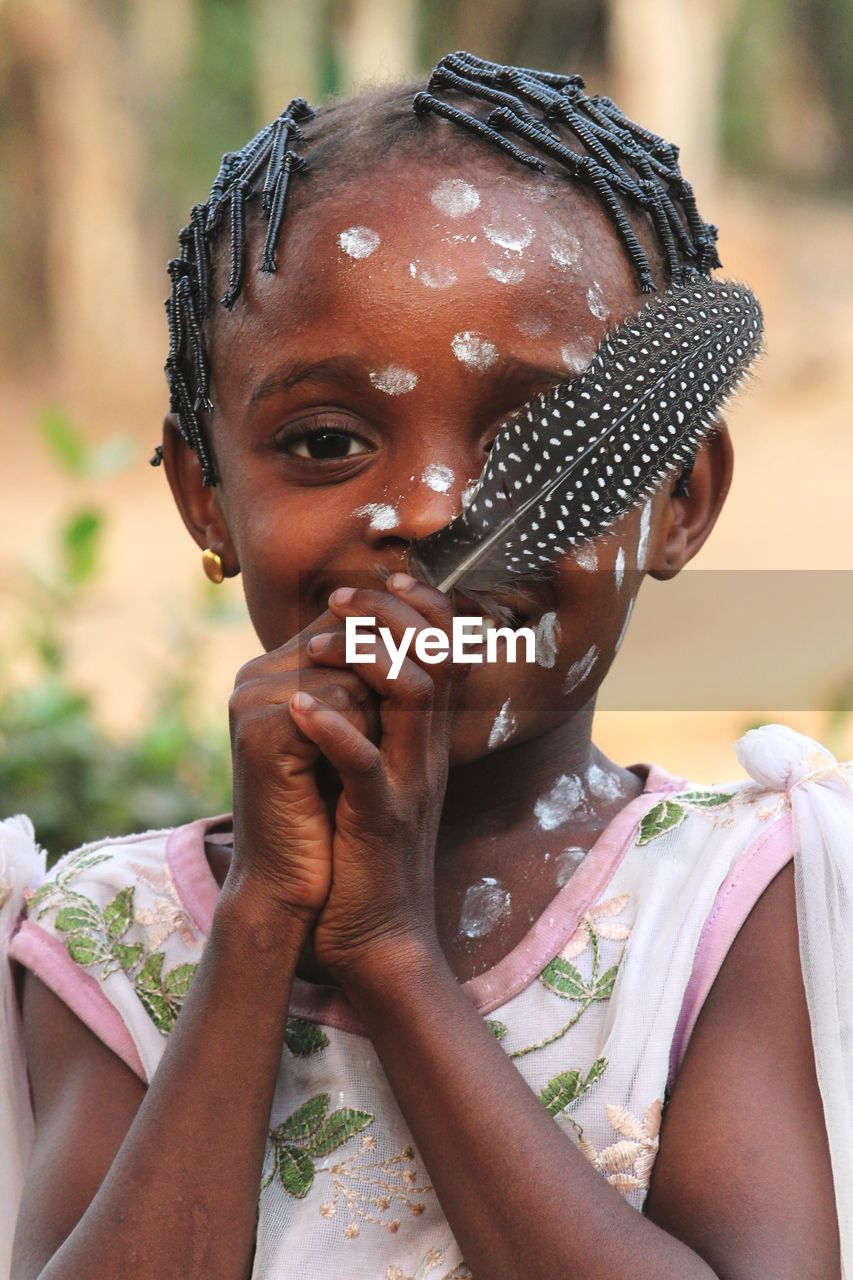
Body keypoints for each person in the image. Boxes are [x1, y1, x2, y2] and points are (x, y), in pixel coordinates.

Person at [3, 53, 850, 1280]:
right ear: (207, 500)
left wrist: (388, 951)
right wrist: (258, 931)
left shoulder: (741, 900)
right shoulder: (113, 939)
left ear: (677, 500)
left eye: (527, 440)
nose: (429, 508)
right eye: (327, 441)